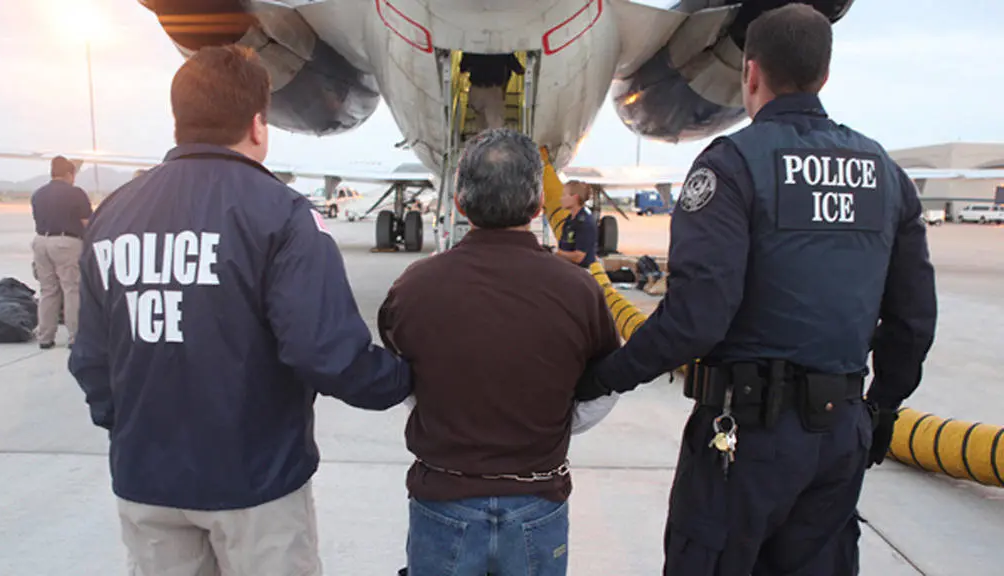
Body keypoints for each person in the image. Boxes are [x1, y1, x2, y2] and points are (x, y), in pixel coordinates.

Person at [576, 4, 937, 575]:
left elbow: (697, 318)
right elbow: (914, 318)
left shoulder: (731, 166)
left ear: (749, 73)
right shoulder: (883, 172)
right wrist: (883, 407)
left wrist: (601, 378)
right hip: (841, 434)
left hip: (746, 440)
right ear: (824, 75)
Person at [68, 45, 411, 576]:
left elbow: (90, 354)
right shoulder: (282, 215)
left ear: (179, 121)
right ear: (258, 124)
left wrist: (127, 427)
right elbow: (323, 350)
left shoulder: (114, 215)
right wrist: (402, 380)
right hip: (254, 484)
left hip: (146, 480)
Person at [379, 128, 620, 576]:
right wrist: (553, 427)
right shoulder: (580, 290)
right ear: (535, 208)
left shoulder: (413, 287)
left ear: (459, 205)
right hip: (537, 499)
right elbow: (605, 384)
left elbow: (403, 380)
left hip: (444, 496)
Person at [30, 155, 92, 349]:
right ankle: (75, 337)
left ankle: (45, 337)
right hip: (66, 243)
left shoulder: (38, 194)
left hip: (41, 242)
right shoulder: (76, 193)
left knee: (48, 290)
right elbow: (87, 223)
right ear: (68, 174)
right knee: (71, 289)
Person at [460, 52, 525, 131]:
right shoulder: (502, 49)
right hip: (493, 91)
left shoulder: (474, 47)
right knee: (496, 127)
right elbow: (519, 70)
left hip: (476, 90)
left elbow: (463, 68)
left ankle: (483, 141)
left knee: (481, 125)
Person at [556, 180, 598, 268]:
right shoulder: (569, 220)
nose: (561, 198)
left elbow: (579, 257)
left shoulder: (585, 222)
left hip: (582, 273)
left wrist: (556, 252)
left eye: (564, 195)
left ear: (575, 197)